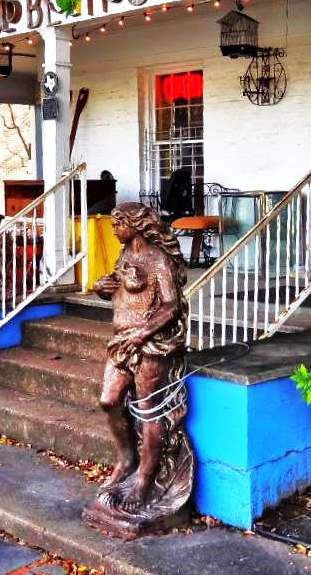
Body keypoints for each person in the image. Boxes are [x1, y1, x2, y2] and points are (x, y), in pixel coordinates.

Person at [88, 202, 193, 524]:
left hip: (148, 345)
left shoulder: (157, 259)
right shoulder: (125, 256)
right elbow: (124, 294)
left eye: (119, 224)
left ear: (136, 225)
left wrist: (141, 334)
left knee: (150, 411)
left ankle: (144, 482)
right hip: (121, 341)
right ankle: (126, 459)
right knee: (109, 400)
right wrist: (100, 288)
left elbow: (172, 306)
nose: (114, 229)